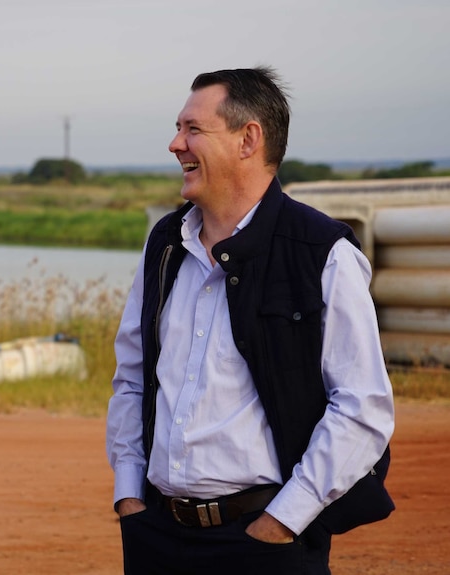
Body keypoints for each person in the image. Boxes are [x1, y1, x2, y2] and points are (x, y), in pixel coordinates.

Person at [106, 67, 395, 575]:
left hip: (265, 544)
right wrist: (130, 495)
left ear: (249, 139)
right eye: (179, 128)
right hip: (155, 537)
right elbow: (132, 378)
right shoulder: (166, 244)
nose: (176, 144)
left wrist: (284, 521)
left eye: (193, 129)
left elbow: (361, 409)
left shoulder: (321, 252)